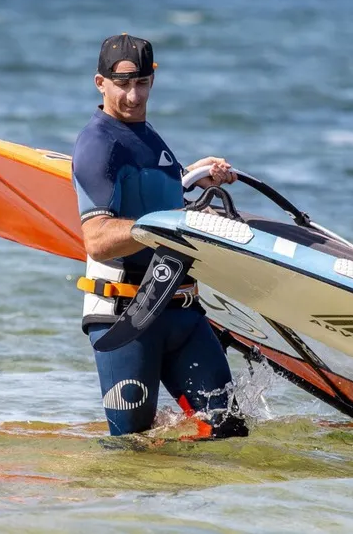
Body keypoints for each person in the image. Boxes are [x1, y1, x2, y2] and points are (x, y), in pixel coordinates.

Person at [72, 33, 248, 439]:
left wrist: (194, 175)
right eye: (122, 84)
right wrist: (175, 223)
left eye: (142, 83)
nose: (133, 96)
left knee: (228, 433)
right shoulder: (97, 144)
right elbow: (97, 239)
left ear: (153, 79)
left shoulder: (150, 140)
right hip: (126, 318)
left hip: (182, 311)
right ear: (100, 83)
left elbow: (150, 196)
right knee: (132, 446)